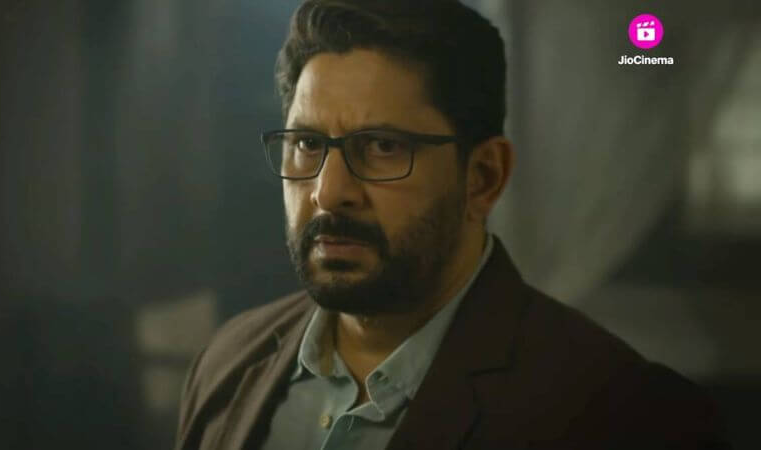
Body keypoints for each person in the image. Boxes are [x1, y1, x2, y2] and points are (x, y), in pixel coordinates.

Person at [175, 1, 730, 449]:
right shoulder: (229, 362)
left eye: (383, 146)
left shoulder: (626, 416)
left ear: (483, 177)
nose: (329, 191)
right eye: (306, 144)